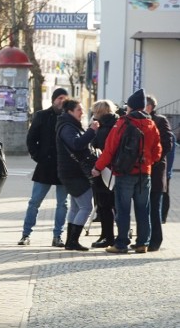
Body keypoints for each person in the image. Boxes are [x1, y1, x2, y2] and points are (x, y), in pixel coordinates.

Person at [92, 89, 162, 254]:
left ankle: (121, 243)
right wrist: (147, 163)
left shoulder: (123, 123)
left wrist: (97, 168)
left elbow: (110, 149)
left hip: (124, 173)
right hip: (145, 173)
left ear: (130, 107)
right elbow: (157, 151)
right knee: (143, 209)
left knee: (123, 209)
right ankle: (142, 243)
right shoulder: (151, 124)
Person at [19, 87, 69, 247]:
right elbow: (31, 139)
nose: (62, 101)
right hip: (45, 166)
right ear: (53, 99)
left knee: (63, 204)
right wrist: (38, 157)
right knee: (34, 202)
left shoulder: (69, 117)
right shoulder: (42, 116)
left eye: (64, 98)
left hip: (64, 167)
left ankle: (58, 236)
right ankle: (26, 234)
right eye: (59, 98)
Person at [56, 99, 99, 251]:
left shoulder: (70, 125)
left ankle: (70, 241)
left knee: (75, 207)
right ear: (70, 112)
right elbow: (76, 144)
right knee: (86, 207)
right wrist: (92, 131)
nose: (82, 112)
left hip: (72, 172)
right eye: (79, 110)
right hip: (73, 173)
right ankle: (73, 240)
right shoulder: (67, 127)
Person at [144, 95, 173, 251]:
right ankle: (144, 238)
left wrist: (153, 158)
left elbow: (168, 144)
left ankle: (155, 241)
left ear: (150, 107)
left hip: (155, 171)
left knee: (154, 207)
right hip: (142, 171)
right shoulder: (139, 120)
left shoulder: (160, 120)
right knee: (144, 208)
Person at [89, 100, 119, 248]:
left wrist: (91, 131)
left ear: (100, 112)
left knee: (104, 205)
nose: (93, 115)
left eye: (95, 112)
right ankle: (109, 235)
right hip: (114, 170)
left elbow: (96, 147)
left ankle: (108, 237)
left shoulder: (103, 128)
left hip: (103, 170)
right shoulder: (116, 124)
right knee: (111, 205)